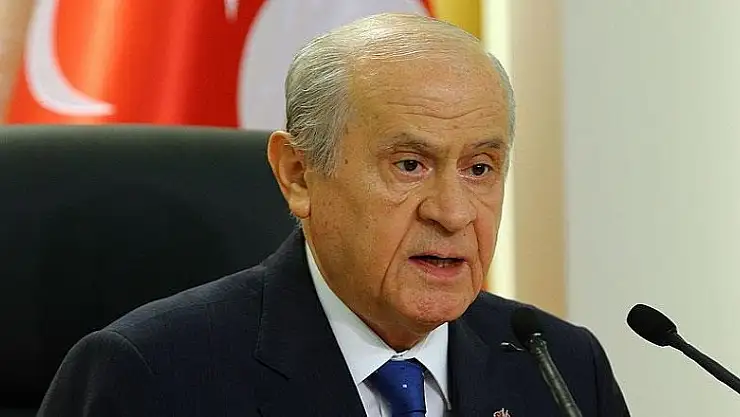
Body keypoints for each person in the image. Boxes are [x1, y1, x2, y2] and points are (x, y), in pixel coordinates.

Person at [38, 13, 630, 417]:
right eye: (409, 164)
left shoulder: (561, 368)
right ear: (299, 174)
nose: (453, 213)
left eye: (480, 169)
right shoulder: (152, 376)